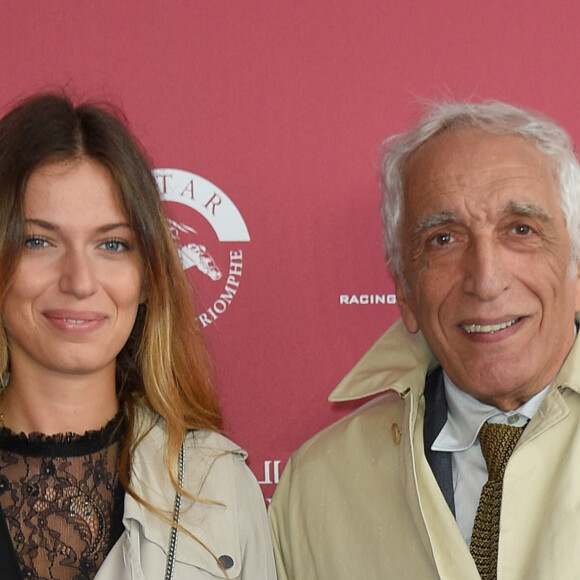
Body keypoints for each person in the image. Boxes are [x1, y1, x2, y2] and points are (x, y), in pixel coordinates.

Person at [269, 100, 580, 580]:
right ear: (405, 291)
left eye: (521, 230)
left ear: (576, 268)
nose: (486, 279)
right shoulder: (317, 486)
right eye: (444, 239)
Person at [0, 92, 276, 580]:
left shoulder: (219, 486)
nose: (80, 281)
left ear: (148, 274)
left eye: (112, 244)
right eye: (39, 240)